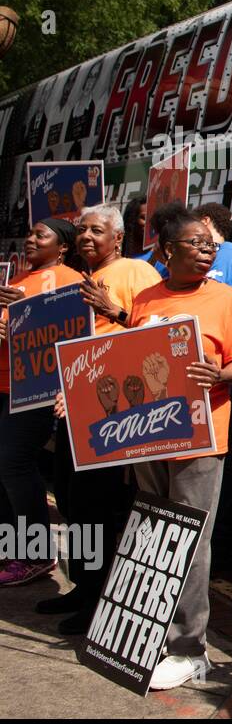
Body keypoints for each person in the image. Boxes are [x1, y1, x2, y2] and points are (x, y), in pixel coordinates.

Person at [119, 202, 232, 689]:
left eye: (211, 246)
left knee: (190, 538)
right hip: (147, 437)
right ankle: (152, 630)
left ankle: (189, 647)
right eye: (196, 245)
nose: (207, 252)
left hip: (201, 436)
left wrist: (219, 374)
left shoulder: (224, 299)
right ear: (166, 249)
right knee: (153, 533)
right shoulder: (145, 299)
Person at [34, 204, 161, 634]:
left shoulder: (135, 273)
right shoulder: (83, 277)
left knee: (98, 507)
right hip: (73, 406)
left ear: (118, 238)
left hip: (110, 414)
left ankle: (100, 601)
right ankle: (84, 588)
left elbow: (149, 336)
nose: (86, 236)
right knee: (71, 500)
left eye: (97, 230)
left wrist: (113, 311)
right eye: (82, 230)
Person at [0, 218, 84, 587]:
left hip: (34, 390)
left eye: (41, 235)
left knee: (15, 463)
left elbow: (71, 336)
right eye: (30, 234)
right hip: (2, 385)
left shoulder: (69, 280)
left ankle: (34, 554)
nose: (31, 239)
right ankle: (9, 548)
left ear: (62, 247)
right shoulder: (15, 280)